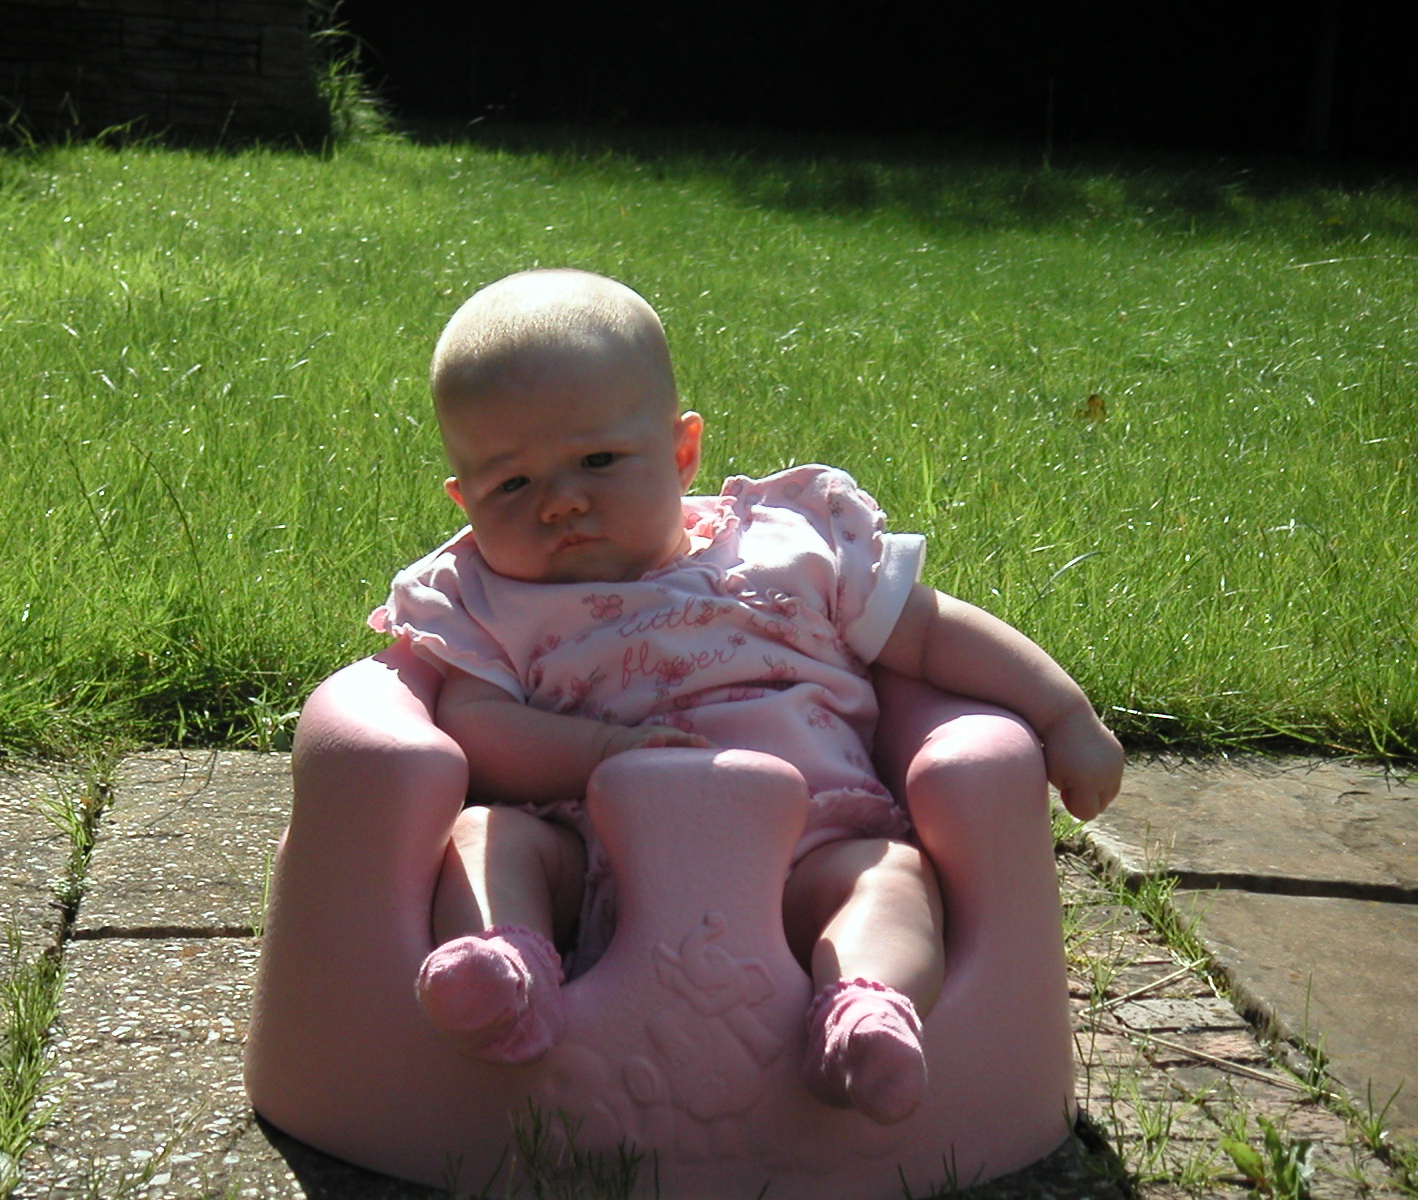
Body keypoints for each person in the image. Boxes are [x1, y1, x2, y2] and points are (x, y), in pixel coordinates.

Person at [367, 268, 1123, 1125]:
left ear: (681, 451)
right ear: (463, 498)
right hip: (593, 859)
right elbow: (475, 725)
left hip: (812, 846)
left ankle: (864, 1014)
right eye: (512, 485)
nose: (562, 504)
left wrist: (1061, 712)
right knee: (486, 838)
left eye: (598, 461)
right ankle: (507, 974)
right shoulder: (484, 598)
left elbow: (929, 632)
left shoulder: (791, 548)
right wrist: (603, 755)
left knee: (890, 880)